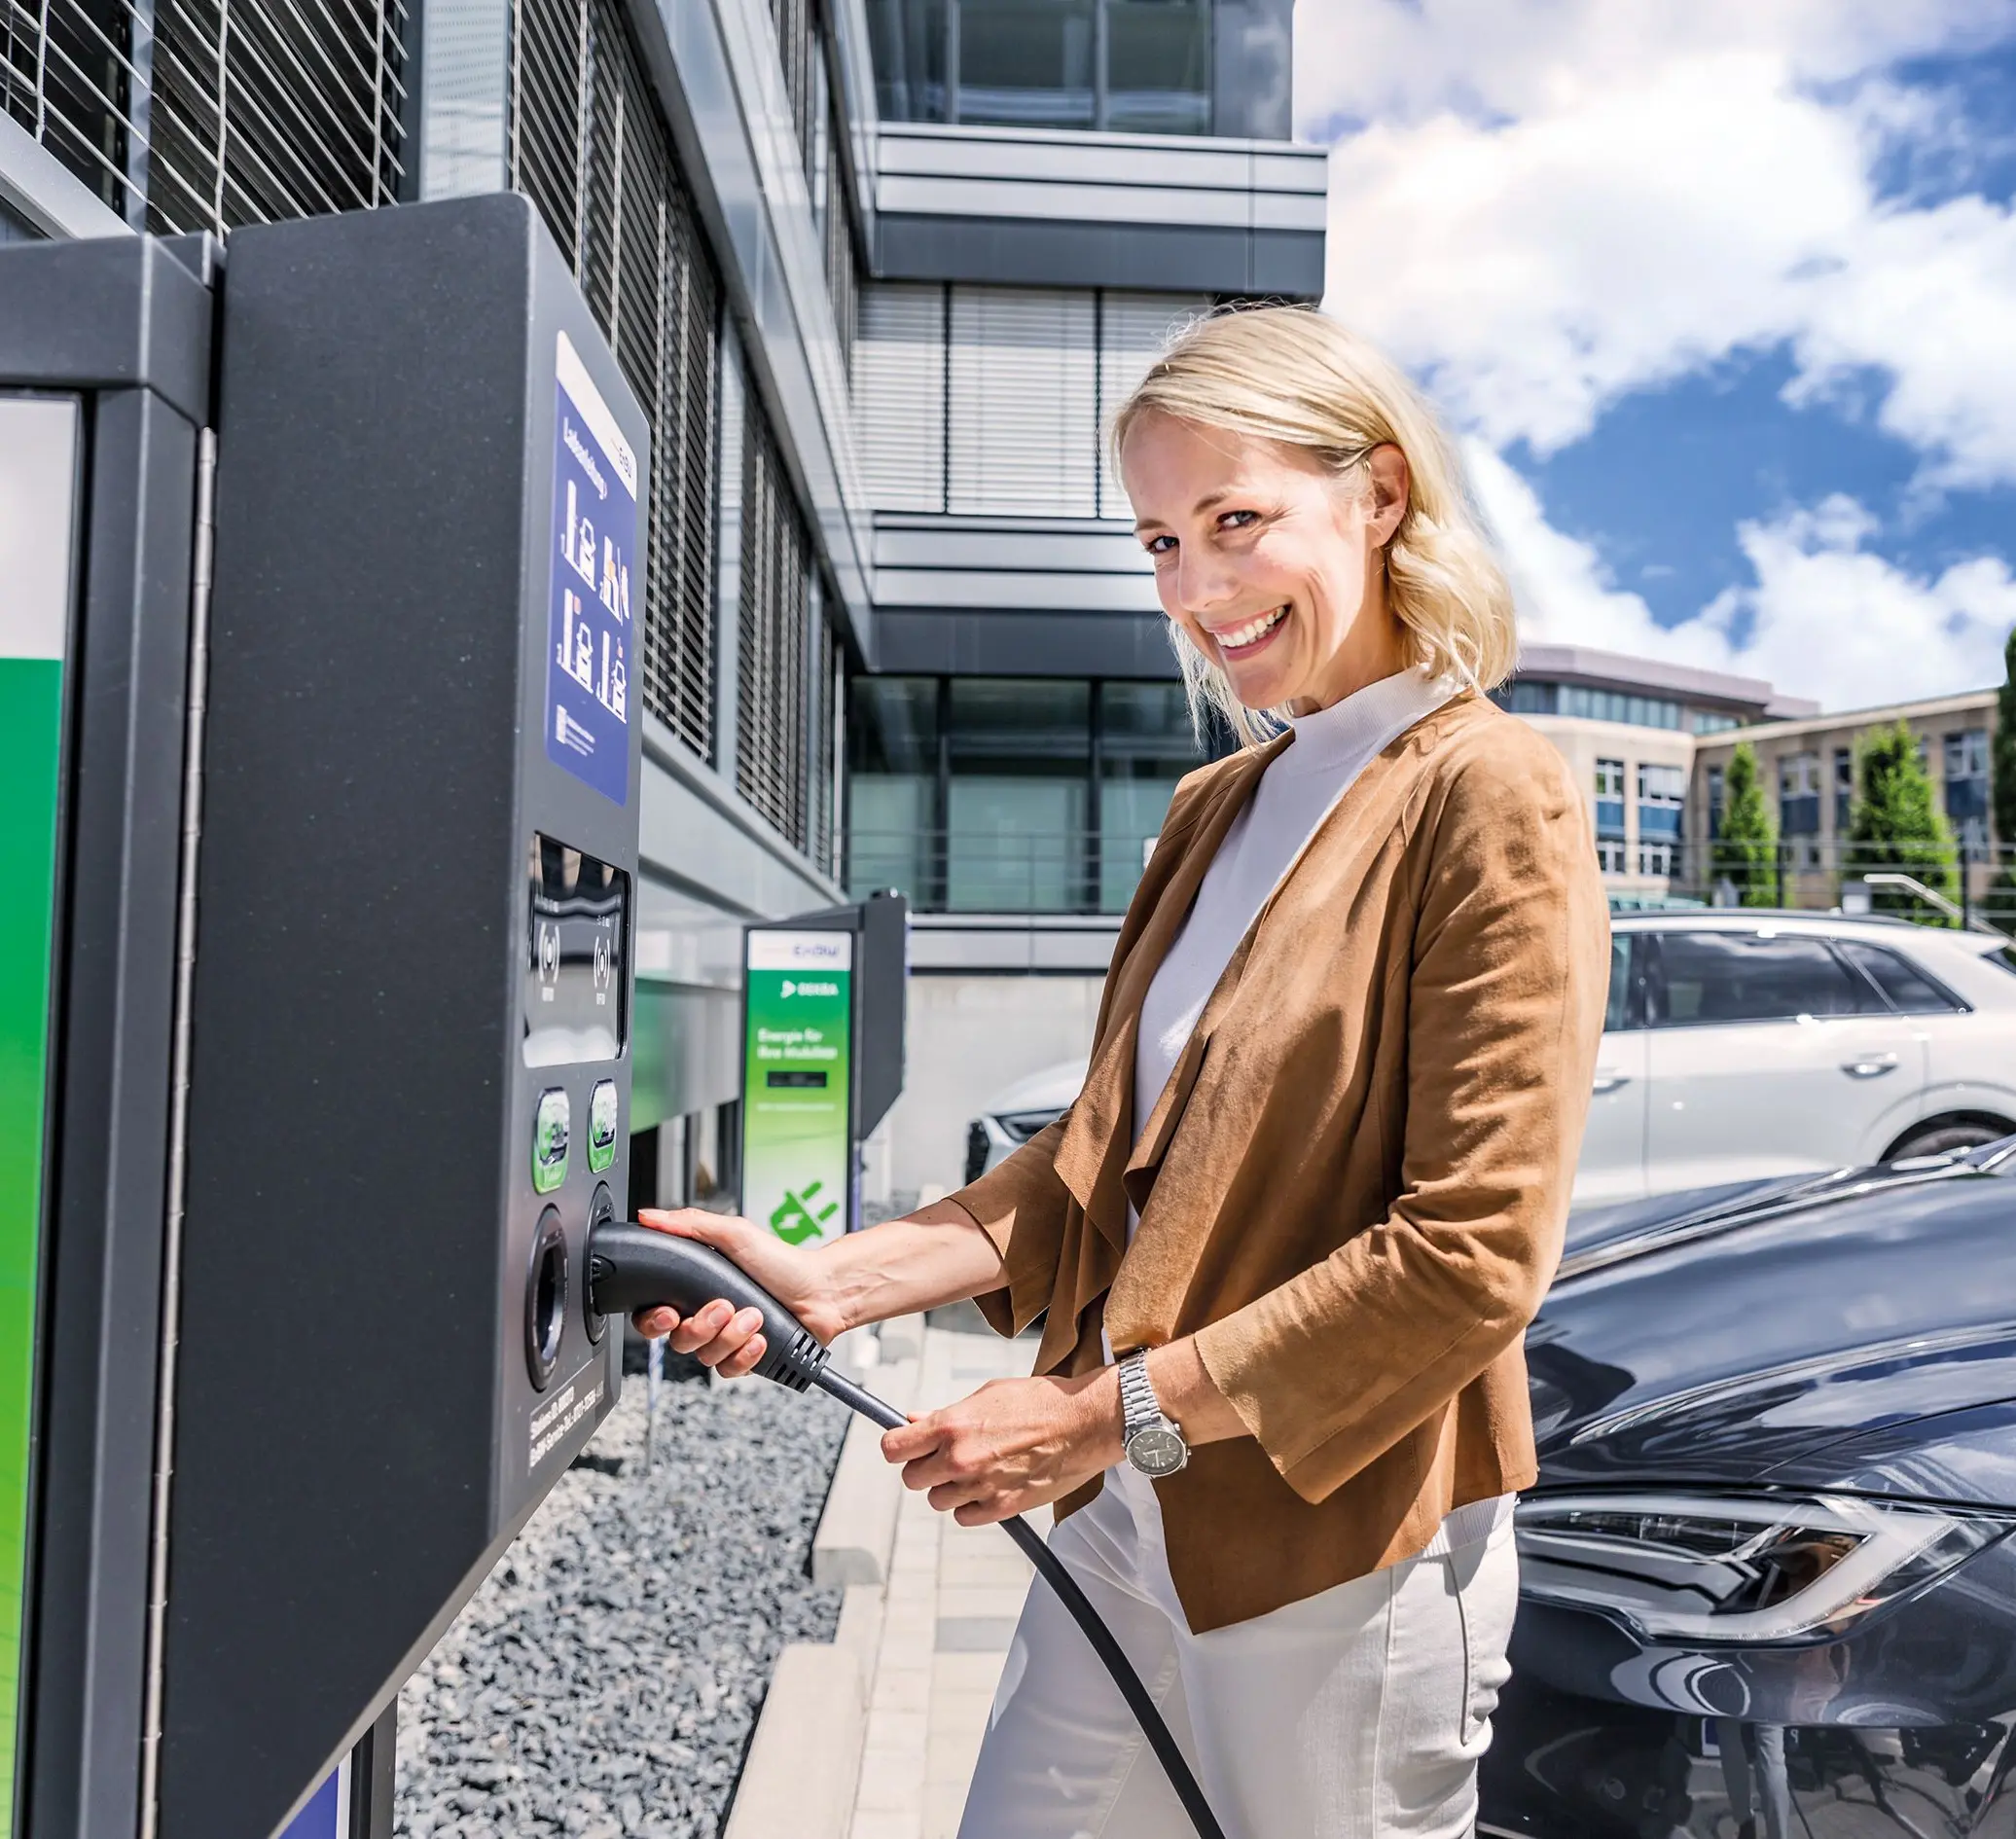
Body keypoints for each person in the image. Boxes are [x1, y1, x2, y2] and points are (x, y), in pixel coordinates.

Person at [633, 306, 1609, 1837]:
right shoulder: (1220, 806)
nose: (1199, 588)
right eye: (1161, 541)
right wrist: (835, 1282)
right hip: (1132, 1500)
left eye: (1236, 521)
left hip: (1334, 1542)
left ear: (1379, 495)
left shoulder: (1488, 789)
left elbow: (1470, 1256)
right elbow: (1098, 1159)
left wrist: (1097, 1417)